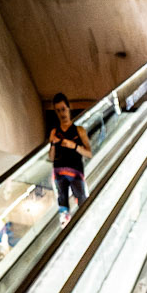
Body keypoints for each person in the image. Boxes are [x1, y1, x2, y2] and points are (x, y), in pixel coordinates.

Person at [49, 94, 91, 225]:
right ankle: (66, 224)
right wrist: (54, 144)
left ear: (68, 108)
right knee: (62, 201)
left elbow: (89, 153)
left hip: (75, 171)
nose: (62, 113)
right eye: (58, 110)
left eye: (63, 109)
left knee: (81, 198)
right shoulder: (54, 132)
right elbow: (50, 157)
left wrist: (74, 146)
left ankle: (85, 220)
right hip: (59, 171)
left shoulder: (79, 130)